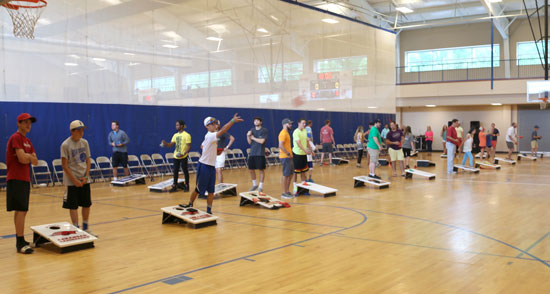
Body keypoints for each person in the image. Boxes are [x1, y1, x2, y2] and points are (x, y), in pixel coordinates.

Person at [182, 114, 243, 214]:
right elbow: (223, 130)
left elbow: (203, 146)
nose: (214, 125)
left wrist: (214, 151)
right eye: (212, 124)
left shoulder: (211, 137)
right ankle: (190, 203)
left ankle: (209, 210)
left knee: (211, 191)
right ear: (207, 126)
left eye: (215, 123)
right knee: (198, 189)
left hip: (211, 166)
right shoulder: (210, 135)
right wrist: (232, 121)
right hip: (204, 165)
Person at [6, 113, 38, 254]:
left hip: (25, 179)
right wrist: (29, 157)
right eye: (25, 122)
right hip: (16, 178)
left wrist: (29, 157)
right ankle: (20, 243)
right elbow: (21, 159)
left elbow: (35, 161)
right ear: (19, 123)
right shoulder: (16, 138)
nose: (28, 125)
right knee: (20, 210)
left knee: (22, 210)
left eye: (29, 122)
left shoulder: (28, 141)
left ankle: (21, 239)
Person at [61, 120, 94, 235]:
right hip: (72, 180)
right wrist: (74, 180)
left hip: (84, 178)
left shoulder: (85, 143)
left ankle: (85, 226)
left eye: (82, 130)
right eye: (78, 130)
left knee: (86, 203)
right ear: (72, 131)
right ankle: (76, 228)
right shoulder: (65, 145)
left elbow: (88, 160)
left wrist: (86, 176)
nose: (81, 132)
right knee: (73, 205)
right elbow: (64, 165)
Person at [161, 120, 191, 192]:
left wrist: (184, 153)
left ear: (182, 126)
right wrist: (166, 144)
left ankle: (187, 185)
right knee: (175, 171)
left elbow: (189, 146)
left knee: (185, 171)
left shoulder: (187, 135)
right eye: (176, 125)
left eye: (177, 125)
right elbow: (170, 145)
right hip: (176, 156)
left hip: (183, 156)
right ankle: (175, 186)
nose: (176, 126)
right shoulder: (175, 135)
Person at [247, 117, 268, 192]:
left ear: (261, 122)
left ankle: (260, 186)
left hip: (260, 153)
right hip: (252, 153)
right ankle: (254, 184)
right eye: (254, 121)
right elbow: (249, 142)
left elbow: (262, 141)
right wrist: (248, 136)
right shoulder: (252, 130)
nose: (256, 122)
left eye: (257, 121)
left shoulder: (264, 130)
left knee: (261, 170)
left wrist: (253, 137)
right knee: (251, 169)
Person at [292, 119, 311, 190]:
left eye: (305, 123)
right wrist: (305, 150)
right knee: (296, 171)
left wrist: (310, 149)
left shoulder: (305, 131)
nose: (304, 124)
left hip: (303, 153)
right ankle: (294, 185)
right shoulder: (296, 132)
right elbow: (299, 143)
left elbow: (306, 141)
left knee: (304, 170)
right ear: (299, 123)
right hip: (297, 154)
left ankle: (303, 183)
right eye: (303, 123)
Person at [279, 118, 294, 199]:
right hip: (285, 157)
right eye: (289, 124)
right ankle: (284, 193)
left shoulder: (287, 133)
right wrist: (287, 153)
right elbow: (280, 145)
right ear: (285, 124)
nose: (291, 125)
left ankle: (287, 191)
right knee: (286, 174)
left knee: (290, 174)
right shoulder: (283, 133)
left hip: (289, 157)